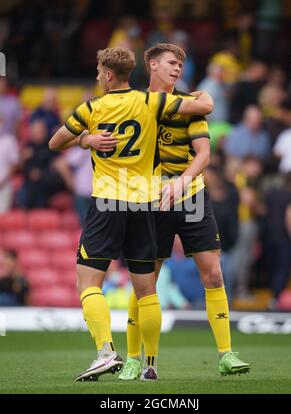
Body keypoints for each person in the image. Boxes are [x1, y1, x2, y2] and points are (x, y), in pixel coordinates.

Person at [49, 47, 214, 382]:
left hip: (108, 203)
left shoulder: (92, 108)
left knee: (88, 280)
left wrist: (86, 139)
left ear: (108, 75)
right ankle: (150, 365)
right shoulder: (150, 102)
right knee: (147, 290)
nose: (97, 77)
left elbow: (55, 143)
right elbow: (204, 105)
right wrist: (198, 92)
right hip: (144, 205)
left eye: (98, 72)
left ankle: (106, 352)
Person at [100, 43, 250, 379]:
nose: (178, 68)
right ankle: (137, 359)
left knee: (212, 273)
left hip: (191, 196)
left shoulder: (191, 105)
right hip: (151, 201)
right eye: (171, 62)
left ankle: (227, 354)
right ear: (152, 65)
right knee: (145, 281)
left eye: (181, 64)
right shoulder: (138, 104)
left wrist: (181, 182)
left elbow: (204, 155)